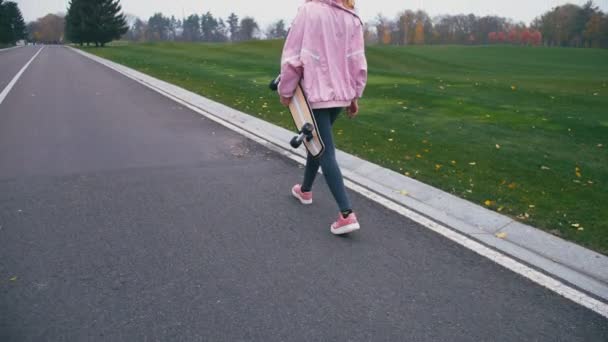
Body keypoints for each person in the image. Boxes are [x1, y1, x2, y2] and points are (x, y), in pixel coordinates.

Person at [278, 0, 368, 235]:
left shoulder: (309, 11)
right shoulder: (352, 17)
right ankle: (305, 190)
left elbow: (292, 56)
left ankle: (346, 214)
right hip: (341, 96)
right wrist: (354, 96)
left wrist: (286, 91)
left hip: (315, 94)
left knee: (324, 149)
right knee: (315, 142)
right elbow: (358, 62)